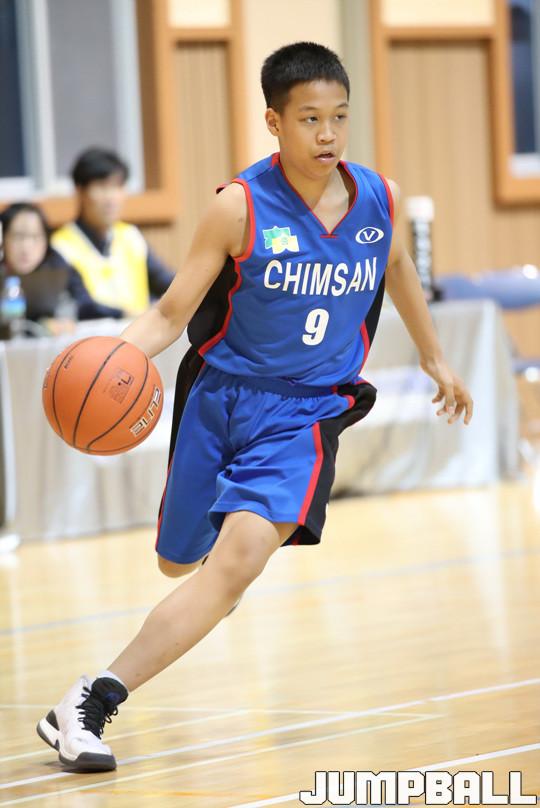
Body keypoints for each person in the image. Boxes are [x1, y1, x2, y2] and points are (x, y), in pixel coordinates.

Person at [36, 43, 473, 772]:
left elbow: (396, 262)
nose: (328, 134)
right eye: (310, 119)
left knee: (237, 561)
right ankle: (219, 577)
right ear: (274, 121)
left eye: (340, 117)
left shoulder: (380, 200)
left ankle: (89, 701)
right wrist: (108, 363)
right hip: (219, 397)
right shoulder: (238, 206)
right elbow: (170, 313)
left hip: (306, 412)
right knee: (178, 564)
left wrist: (434, 356)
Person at [51, 148, 174, 317]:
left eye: (117, 186)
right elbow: (82, 305)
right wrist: (127, 313)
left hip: (140, 330)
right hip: (94, 333)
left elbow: (166, 282)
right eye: (102, 187)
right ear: (80, 191)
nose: (111, 198)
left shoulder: (130, 236)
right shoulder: (61, 246)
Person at [0, 202, 122, 333]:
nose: (26, 247)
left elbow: (85, 305)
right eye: (18, 237)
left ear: (46, 240)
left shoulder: (57, 266)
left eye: (35, 237)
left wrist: (121, 313)